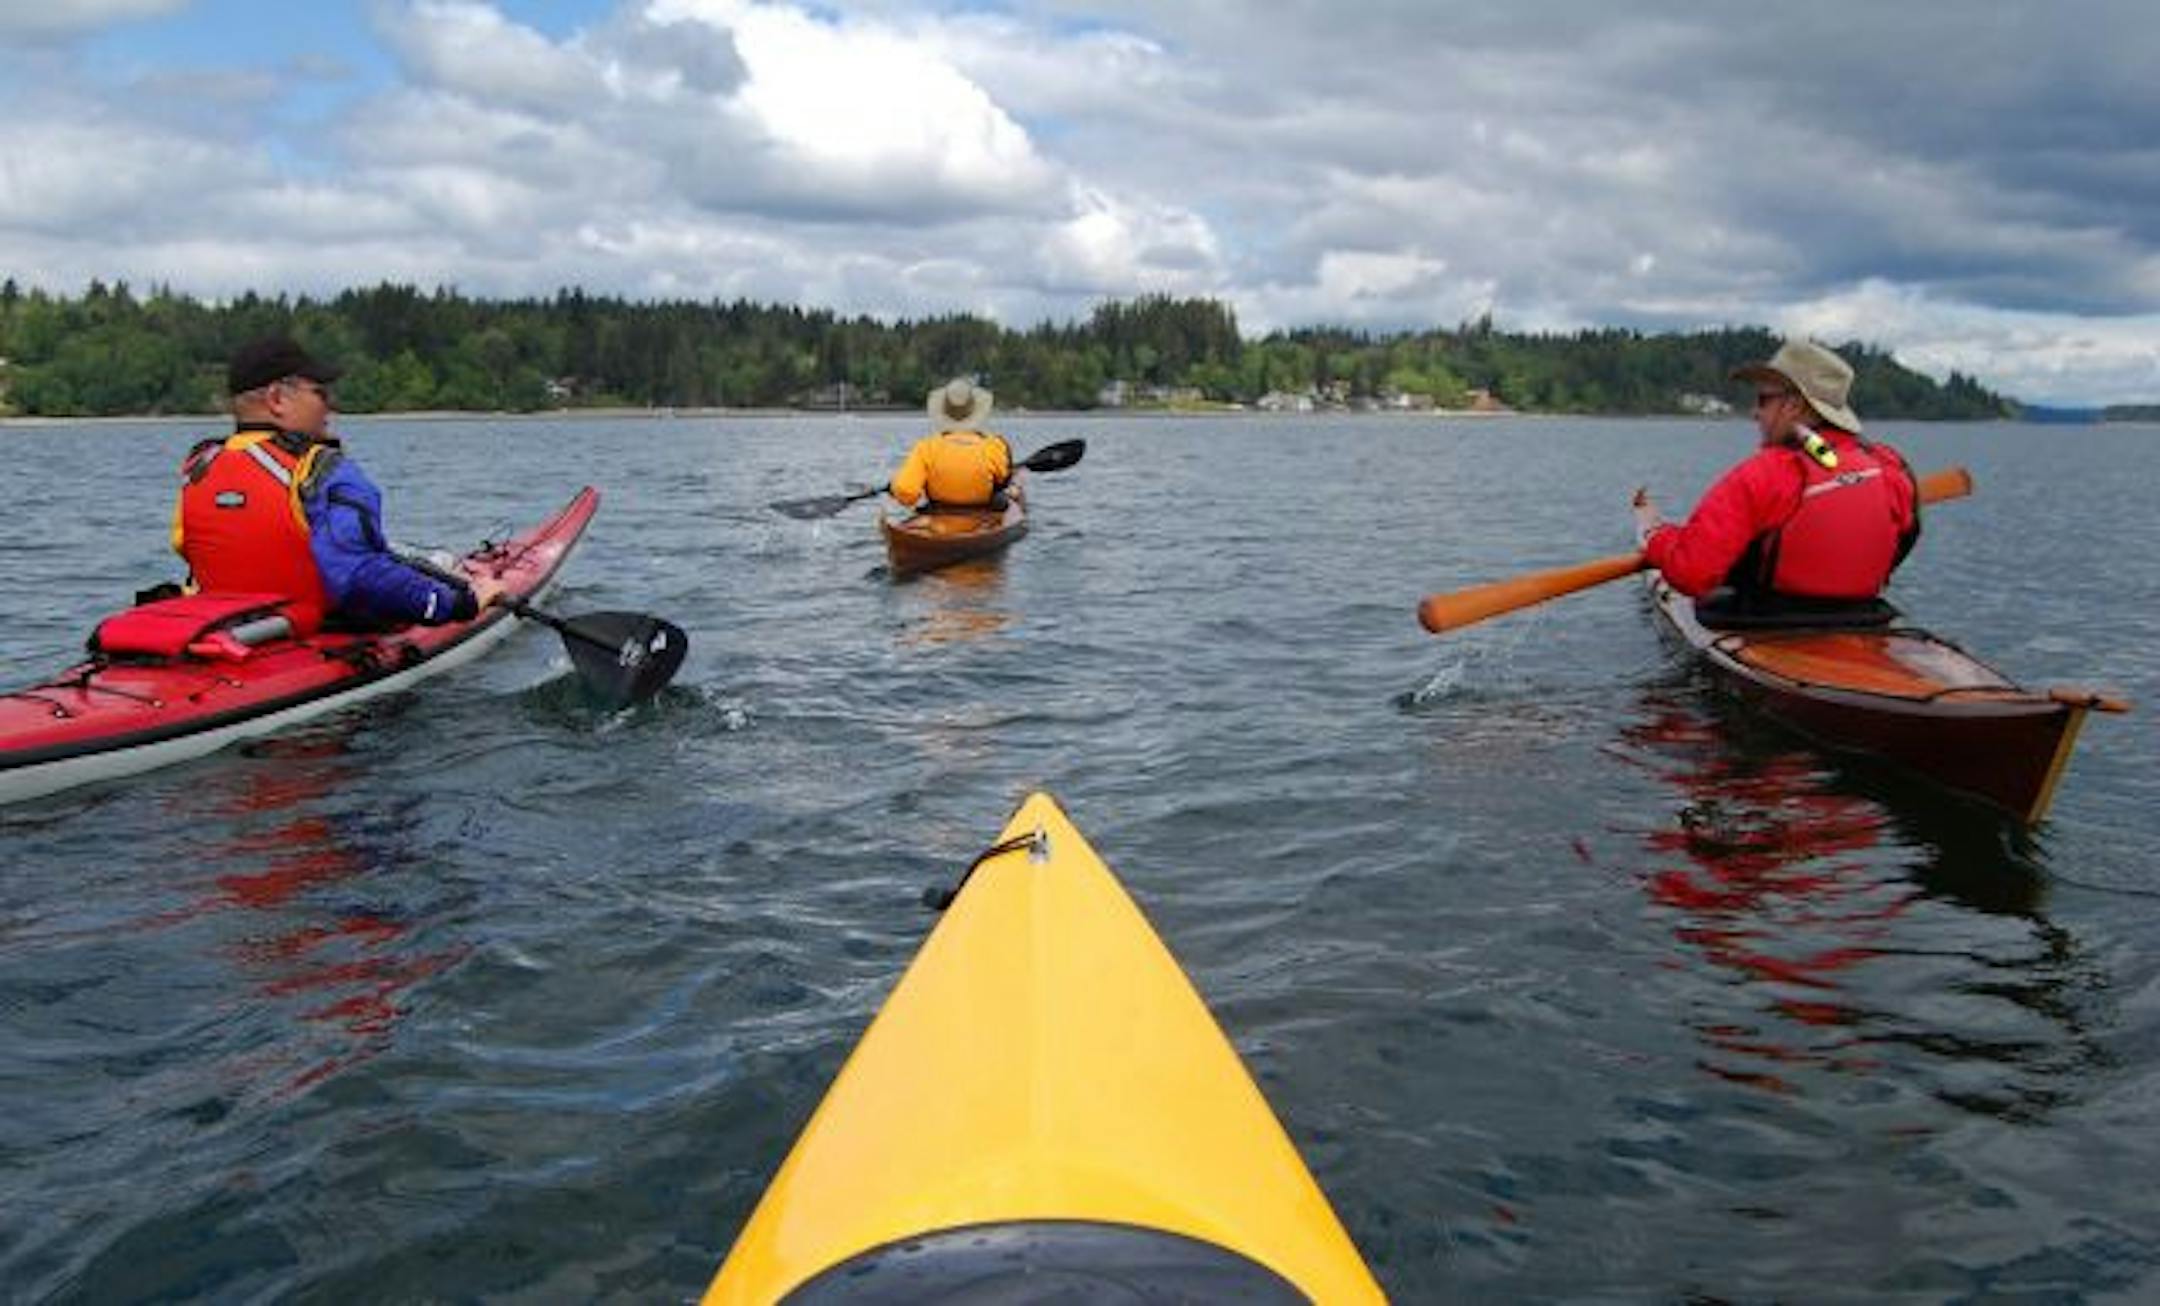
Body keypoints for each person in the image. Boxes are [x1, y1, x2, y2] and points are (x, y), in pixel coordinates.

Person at [171, 335, 503, 634]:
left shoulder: (200, 466)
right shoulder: (322, 469)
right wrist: (464, 603)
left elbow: (192, 547)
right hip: (312, 637)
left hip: (226, 633)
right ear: (276, 399)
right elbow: (359, 574)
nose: (329, 406)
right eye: (320, 392)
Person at [1636, 338, 1919, 628]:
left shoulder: (1764, 475)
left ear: (1794, 405)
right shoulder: (1890, 468)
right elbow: (1904, 541)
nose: (1755, 413)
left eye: (1763, 400)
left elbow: (1691, 572)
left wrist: (1657, 540)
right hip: (1862, 615)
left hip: (1770, 620)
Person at [889, 378, 1015, 511]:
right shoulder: (994, 445)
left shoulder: (925, 448)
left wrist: (895, 487)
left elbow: (906, 491)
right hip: (984, 509)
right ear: (974, 411)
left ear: (944, 411)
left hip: (938, 510)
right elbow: (1004, 480)